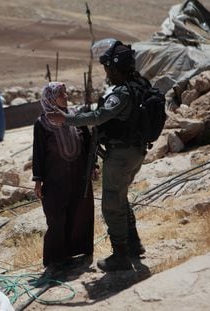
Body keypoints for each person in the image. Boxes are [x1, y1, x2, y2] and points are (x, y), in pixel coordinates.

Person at [46, 40, 146, 272]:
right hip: (135, 152)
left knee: (112, 203)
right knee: (120, 197)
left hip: (121, 155)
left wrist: (67, 120)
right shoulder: (139, 84)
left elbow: (100, 116)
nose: (107, 72)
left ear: (115, 67)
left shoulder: (121, 93)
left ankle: (121, 255)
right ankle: (134, 244)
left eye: (108, 67)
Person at [32, 82, 94, 275]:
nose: (66, 97)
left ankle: (79, 252)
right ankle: (56, 260)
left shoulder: (76, 116)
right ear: (50, 98)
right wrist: (38, 180)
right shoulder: (42, 123)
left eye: (66, 93)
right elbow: (39, 153)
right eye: (61, 94)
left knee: (80, 213)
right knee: (56, 217)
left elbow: (88, 143)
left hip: (79, 174)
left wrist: (93, 166)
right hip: (55, 179)